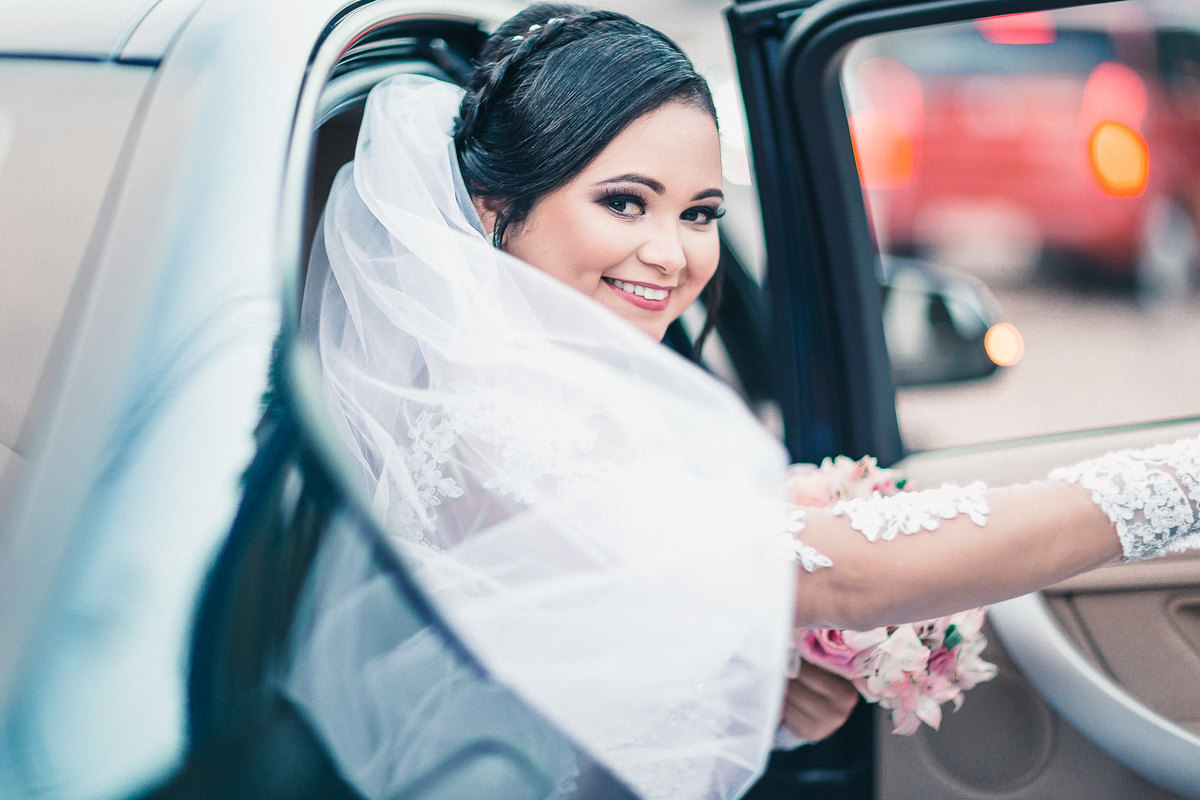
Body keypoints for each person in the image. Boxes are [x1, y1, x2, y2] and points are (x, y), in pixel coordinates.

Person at [287, 4, 1200, 798]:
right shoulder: (480, 423)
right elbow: (844, 572)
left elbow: (578, 658)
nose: (671, 254)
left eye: (698, 212)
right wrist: (1176, 481)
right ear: (494, 209)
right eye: (625, 202)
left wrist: (762, 694)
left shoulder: (588, 390)